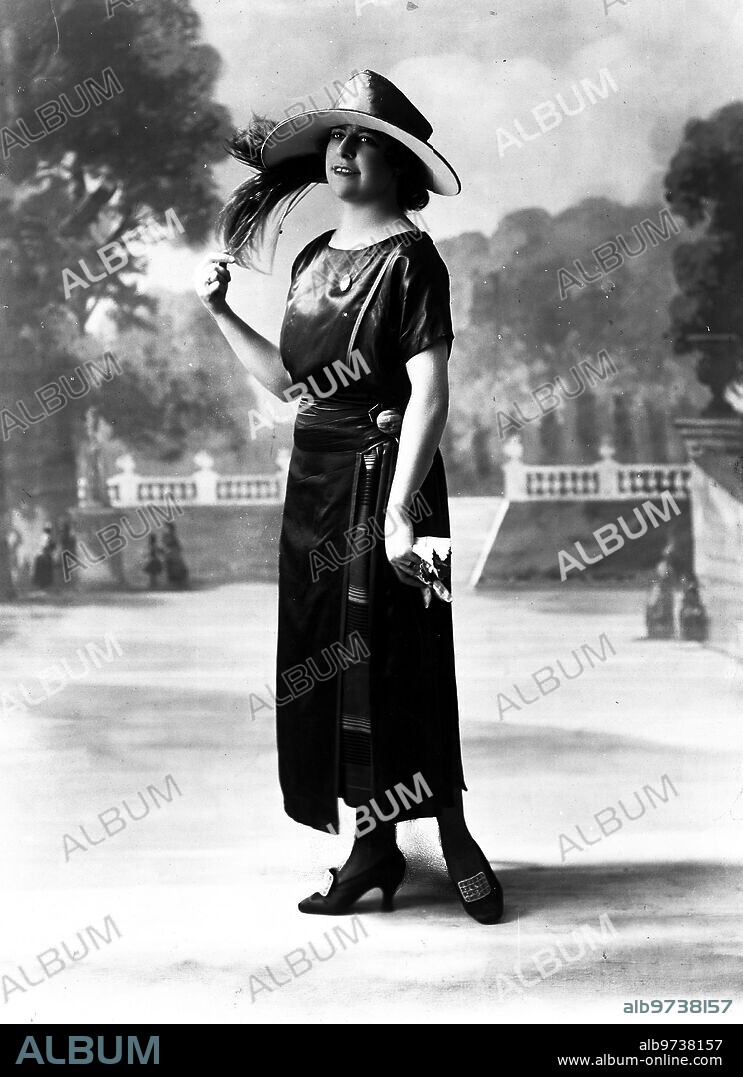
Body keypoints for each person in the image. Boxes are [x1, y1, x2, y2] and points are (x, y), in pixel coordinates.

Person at [195, 70, 502, 924]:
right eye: (338, 137)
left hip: (396, 478)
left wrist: (404, 508)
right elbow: (290, 385)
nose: (345, 151)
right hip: (318, 485)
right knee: (324, 657)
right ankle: (371, 847)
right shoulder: (308, 259)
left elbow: (430, 394)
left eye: (365, 140)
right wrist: (222, 312)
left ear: (400, 166)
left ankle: (453, 831)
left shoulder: (412, 260)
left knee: (409, 658)